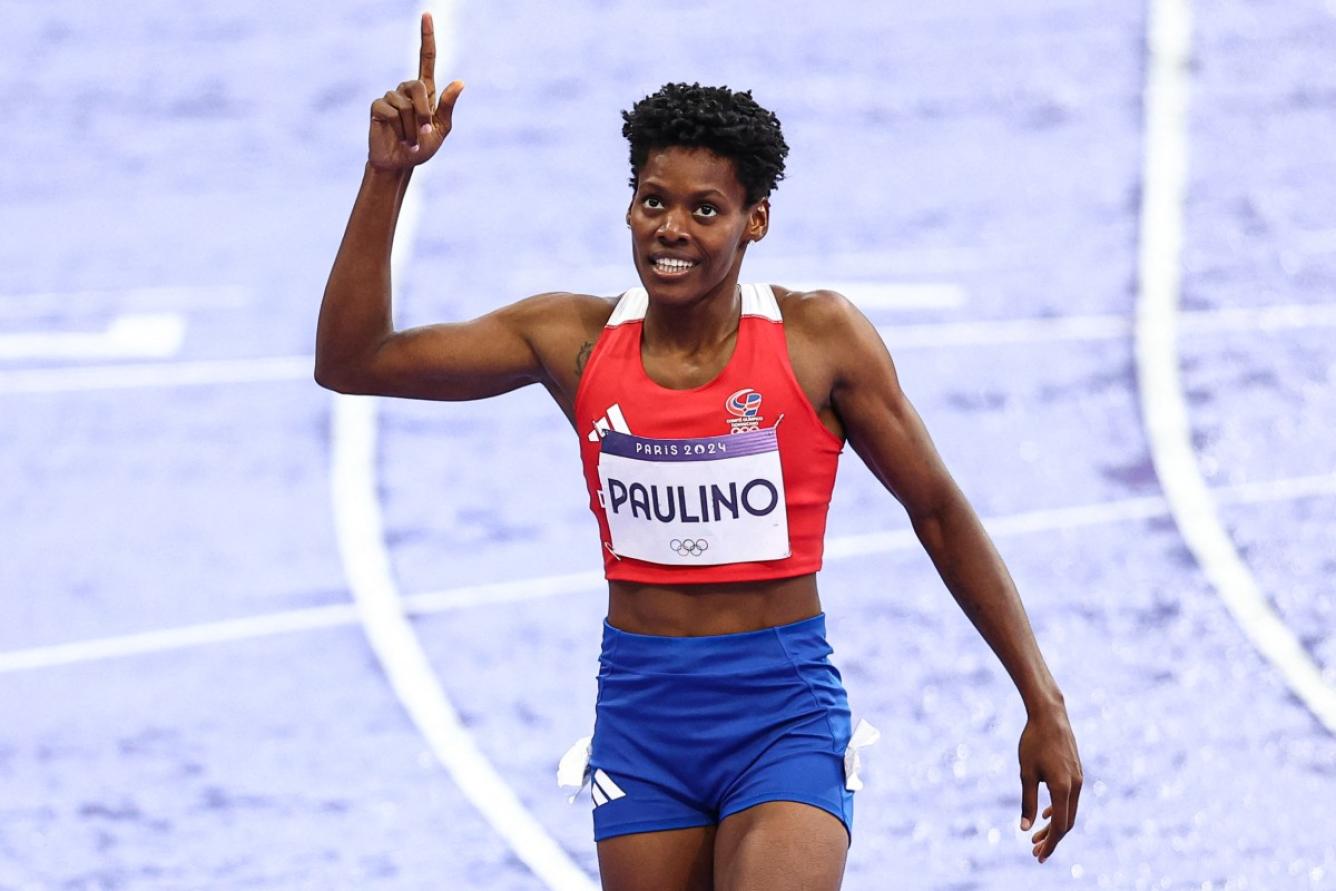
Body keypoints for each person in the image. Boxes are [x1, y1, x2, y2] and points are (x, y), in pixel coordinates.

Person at [315, 12, 1083, 890]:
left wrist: (1041, 698)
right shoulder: (570, 341)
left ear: (756, 221)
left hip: (780, 713)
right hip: (644, 721)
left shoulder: (819, 341)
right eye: (653, 201)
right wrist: (386, 177)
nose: (671, 228)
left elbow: (939, 514)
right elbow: (353, 360)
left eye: (704, 209)